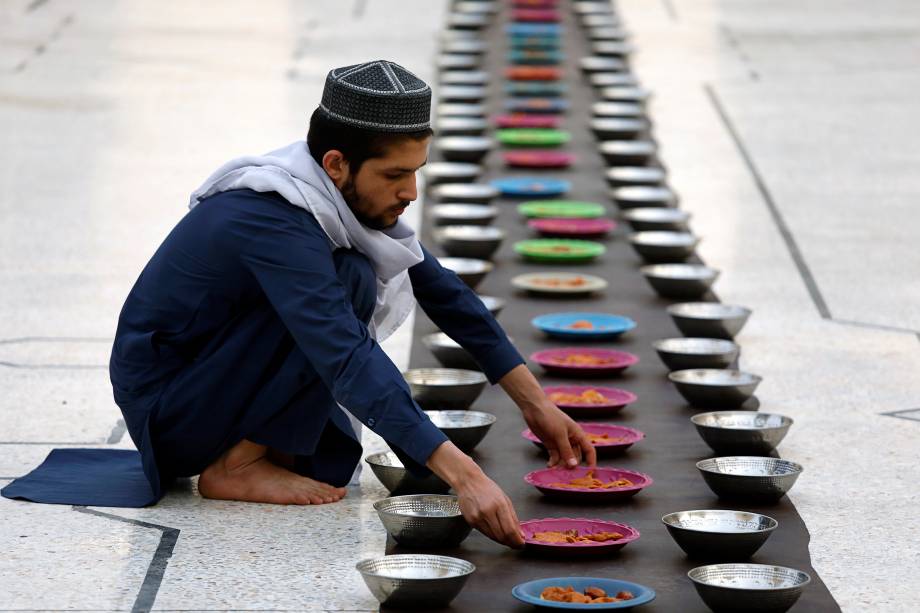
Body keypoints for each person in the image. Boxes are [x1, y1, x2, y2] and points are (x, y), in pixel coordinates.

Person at [2, 60, 595, 548]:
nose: (409, 193)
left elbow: (443, 291)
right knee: (351, 282)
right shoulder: (273, 215)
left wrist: (537, 405)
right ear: (336, 163)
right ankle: (233, 466)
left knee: (332, 436)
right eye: (394, 175)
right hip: (172, 406)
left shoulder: (328, 200)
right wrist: (464, 476)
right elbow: (342, 351)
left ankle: (246, 451)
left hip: (218, 377)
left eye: (416, 172)